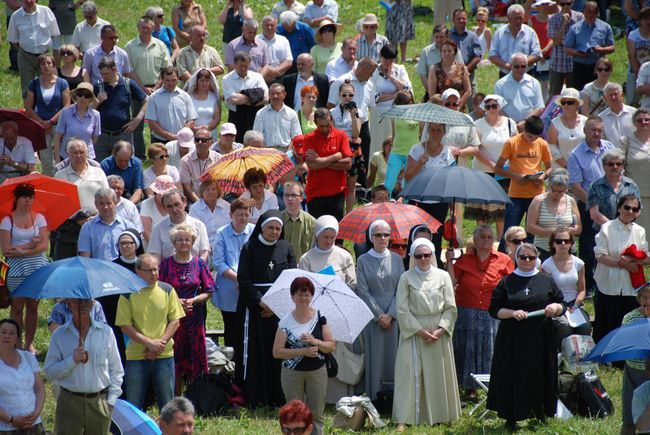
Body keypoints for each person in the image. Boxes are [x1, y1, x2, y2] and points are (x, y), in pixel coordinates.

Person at [487, 243, 564, 431]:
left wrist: (554, 308)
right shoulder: (506, 282)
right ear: (517, 259)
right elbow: (494, 309)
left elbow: (561, 303)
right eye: (523, 257)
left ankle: (540, 413)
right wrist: (512, 313)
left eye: (531, 257)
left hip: (541, 338)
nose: (527, 261)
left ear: (536, 258)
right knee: (513, 375)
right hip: (513, 339)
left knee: (539, 373)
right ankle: (511, 416)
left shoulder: (546, 281)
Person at [392, 238, 460, 431]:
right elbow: (402, 309)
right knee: (409, 375)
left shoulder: (443, 276)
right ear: (413, 257)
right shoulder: (406, 278)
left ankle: (441, 413)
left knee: (439, 372)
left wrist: (440, 329)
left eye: (427, 255)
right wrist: (420, 331)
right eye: (419, 255)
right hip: (415, 330)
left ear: (432, 255)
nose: (423, 258)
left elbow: (450, 307)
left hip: (438, 330)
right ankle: (404, 418)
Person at [236, 210, 296, 408]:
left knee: (279, 350)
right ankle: (256, 395)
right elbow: (243, 280)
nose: (275, 231)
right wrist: (262, 302)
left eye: (278, 228)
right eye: (271, 227)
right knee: (255, 351)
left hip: (280, 309)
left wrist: (276, 306)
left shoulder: (286, 247)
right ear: (262, 227)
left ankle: (278, 396)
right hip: (254, 308)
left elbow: (291, 279)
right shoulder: (249, 247)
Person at [445, 224, 513, 399]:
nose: (485, 239)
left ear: (494, 241)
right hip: (466, 313)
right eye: (481, 236)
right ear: (474, 239)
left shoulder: (504, 260)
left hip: (491, 312)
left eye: (489, 237)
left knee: (490, 349)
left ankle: (492, 387)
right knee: (467, 349)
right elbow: (451, 282)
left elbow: (511, 286)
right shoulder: (463, 261)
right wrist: (450, 262)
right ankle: (469, 389)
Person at [116, 253, 185, 411]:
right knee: (134, 404)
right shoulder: (127, 294)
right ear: (138, 271)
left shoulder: (167, 290)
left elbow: (175, 321)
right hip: (136, 356)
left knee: (167, 405)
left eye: (156, 269)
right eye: (149, 270)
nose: (154, 273)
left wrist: (158, 345)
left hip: (164, 355)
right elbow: (125, 326)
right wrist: (149, 344)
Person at [44, 298, 124, 434]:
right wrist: (72, 360)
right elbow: (49, 371)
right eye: (76, 301)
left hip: (99, 402)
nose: (82, 305)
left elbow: (116, 370)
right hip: (69, 402)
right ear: (69, 304)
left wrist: (110, 402)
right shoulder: (60, 335)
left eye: (86, 301)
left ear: (93, 304)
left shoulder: (106, 332)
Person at [272, 277, 335, 433]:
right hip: (292, 373)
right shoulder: (285, 322)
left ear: (312, 296)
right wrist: (302, 352)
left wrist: (316, 341)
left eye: (307, 295)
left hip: (317, 371)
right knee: (294, 414)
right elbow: (277, 352)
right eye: (300, 295)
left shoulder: (321, 317)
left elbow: (331, 346)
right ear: (292, 297)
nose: (303, 298)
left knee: (317, 414)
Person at [159, 224, 215, 393]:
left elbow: (210, 290)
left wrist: (194, 300)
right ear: (173, 243)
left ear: (193, 242)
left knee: (195, 357)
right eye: (180, 239)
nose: (184, 243)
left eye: (187, 239)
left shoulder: (199, 264)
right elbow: (159, 290)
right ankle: (174, 395)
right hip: (173, 319)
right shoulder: (166, 264)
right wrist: (175, 301)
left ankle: (196, 394)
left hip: (195, 317)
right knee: (174, 356)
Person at [356, 220, 404, 401]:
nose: (383, 238)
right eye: (378, 235)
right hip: (373, 318)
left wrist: (390, 315)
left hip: (394, 317)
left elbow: (401, 289)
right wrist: (380, 316)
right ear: (371, 237)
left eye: (386, 234)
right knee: (375, 358)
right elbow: (363, 291)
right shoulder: (362, 260)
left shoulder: (397, 259)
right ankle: (375, 396)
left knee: (393, 357)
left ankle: (393, 398)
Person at [0, 183, 49, 355]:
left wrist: (21, 250)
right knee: (17, 308)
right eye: (24, 196)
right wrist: (28, 247)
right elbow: (7, 250)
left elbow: (44, 245)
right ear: (16, 199)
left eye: (30, 196)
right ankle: (17, 342)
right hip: (16, 270)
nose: (28, 200)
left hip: (37, 268)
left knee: (33, 308)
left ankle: (29, 343)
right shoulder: (7, 221)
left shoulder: (39, 218)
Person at [593, 195, 650, 342]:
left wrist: (632, 259)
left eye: (635, 209)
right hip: (608, 283)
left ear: (638, 212)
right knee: (607, 322)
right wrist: (623, 263)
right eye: (627, 207)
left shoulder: (640, 231)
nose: (630, 211)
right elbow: (600, 256)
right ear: (619, 208)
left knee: (628, 323)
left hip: (631, 286)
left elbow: (645, 257)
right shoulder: (607, 227)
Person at [567, 115, 613, 295]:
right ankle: (588, 284)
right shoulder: (576, 154)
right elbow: (576, 186)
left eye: (600, 130)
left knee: (610, 242)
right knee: (588, 246)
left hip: (611, 205)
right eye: (593, 130)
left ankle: (608, 279)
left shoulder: (609, 149)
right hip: (587, 206)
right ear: (585, 131)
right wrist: (594, 204)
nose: (596, 133)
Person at [494, 115, 552, 251]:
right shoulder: (511, 142)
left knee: (532, 233)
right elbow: (498, 168)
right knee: (509, 232)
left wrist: (543, 176)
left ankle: (529, 260)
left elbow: (550, 167)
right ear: (524, 130)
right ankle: (503, 261)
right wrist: (514, 176)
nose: (531, 139)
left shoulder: (542, 144)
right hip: (516, 195)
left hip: (536, 195)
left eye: (535, 137)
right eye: (529, 136)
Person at [403, 122, 455, 262]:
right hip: (419, 200)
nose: (436, 132)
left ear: (444, 132)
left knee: (436, 236)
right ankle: (411, 265)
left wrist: (451, 208)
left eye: (439, 130)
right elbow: (408, 177)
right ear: (428, 131)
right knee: (416, 234)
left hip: (439, 201)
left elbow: (450, 180)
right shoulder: (417, 149)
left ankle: (434, 265)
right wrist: (420, 163)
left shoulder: (447, 152)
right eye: (433, 129)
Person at [469, 94, 516, 239]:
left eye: (494, 106)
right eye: (487, 106)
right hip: (483, 171)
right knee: (482, 209)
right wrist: (492, 165)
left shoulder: (509, 123)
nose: (491, 109)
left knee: (501, 208)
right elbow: (475, 149)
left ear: (500, 106)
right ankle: (481, 237)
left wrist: (507, 165)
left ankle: (501, 240)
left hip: (504, 171)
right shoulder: (478, 124)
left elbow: (516, 144)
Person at [124, 16, 171, 160]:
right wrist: (143, 88)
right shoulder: (130, 46)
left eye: (149, 27)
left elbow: (166, 68)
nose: (146, 30)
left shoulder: (161, 45)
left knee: (158, 122)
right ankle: (139, 154)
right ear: (138, 28)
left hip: (158, 88)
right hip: (137, 90)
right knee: (137, 123)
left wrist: (156, 87)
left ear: (153, 28)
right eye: (143, 27)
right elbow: (128, 71)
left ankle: (157, 153)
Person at [212, 198, 254, 348]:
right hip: (229, 288)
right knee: (231, 329)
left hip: (249, 285)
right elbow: (218, 262)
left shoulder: (254, 231)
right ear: (231, 215)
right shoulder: (221, 233)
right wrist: (237, 278)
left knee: (249, 329)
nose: (243, 218)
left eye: (246, 214)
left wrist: (245, 280)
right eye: (239, 215)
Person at [541, 227, 591, 347]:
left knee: (585, 327)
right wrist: (559, 307)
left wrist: (576, 305)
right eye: (558, 241)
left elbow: (582, 290)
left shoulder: (579, 263)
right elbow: (546, 292)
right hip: (557, 305)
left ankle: (582, 361)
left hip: (574, 305)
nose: (563, 243)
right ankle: (561, 358)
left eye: (566, 241)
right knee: (565, 327)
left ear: (571, 243)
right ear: (553, 244)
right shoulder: (546, 265)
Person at [93, 56, 149, 163]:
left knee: (125, 164)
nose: (103, 77)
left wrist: (137, 119)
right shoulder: (98, 86)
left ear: (114, 69)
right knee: (100, 167)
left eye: (106, 74)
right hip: (102, 135)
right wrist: (98, 101)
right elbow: (88, 109)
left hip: (123, 134)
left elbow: (146, 99)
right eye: (101, 74)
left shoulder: (128, 84)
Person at [24, 53, 71, 177]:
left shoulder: (62, 83)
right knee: (45, 158)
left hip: (58, 124)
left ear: (53, 65)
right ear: (39, 66)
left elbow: (67, 105)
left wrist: (51, 122)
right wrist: (42, 123)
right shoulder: (33, 83)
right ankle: (48, 181)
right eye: (43, 64)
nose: (46, 66)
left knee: (60, 156)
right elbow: (28, 106)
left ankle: (61, 180)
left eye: (49, 63)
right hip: (41, 125)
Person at [302, 108, 352, 220]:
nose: (325, 129)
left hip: (336, 193)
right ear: (315, 123)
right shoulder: (309, 138)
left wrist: (319, 160)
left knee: (337, 233)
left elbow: (348, 164)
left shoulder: (341, 135)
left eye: (327, 125)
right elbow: (311, 165)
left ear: (331, 120)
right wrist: (334, 157)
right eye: (321, 126)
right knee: (317, 232)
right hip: (315, 194)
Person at [103, 228, 144, 366]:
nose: (125, 246)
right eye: (122, 244)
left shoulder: (143, 264)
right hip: (116, 311)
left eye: (129, 243)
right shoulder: (112, 266)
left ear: (136, 245)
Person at [0, 319, 45, 433]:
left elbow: (39, 388)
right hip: (6, 428)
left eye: (12, 333)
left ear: (17, 338)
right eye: (3, 332)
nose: (7, 336)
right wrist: (11, 420)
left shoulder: (28, 357)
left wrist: (37, 412)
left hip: (33, 423)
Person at [526, 169, 581, 261]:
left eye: (560, 191)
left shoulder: (571, 201)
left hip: (567, 250)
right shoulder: (538, 201)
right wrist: (554, 233)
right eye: (553, 190)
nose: (556, 193)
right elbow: (530, 227)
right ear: (548, 186)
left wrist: (569, 231)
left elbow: (579, 228)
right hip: (544, 249)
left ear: (566, 189)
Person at [7, 0, 60, 96]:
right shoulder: (16, 16)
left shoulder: (46, 11)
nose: (29, 1)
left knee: (48, 85)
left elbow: (53, 33)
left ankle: (45, 109)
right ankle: (28, 110)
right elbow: (13, 39)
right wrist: (25, 48)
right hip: (25, 56)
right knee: (27, 88)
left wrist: (42, 45)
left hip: (44, 55)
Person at [563, 1, 615, 92]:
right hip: (580, 66)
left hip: (597, 66)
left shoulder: (605, 27)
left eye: (593, 13)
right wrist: (578, 53)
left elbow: (612, 47)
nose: (590, 16)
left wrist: (601, 49)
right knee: (579, 93)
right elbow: (566, 48)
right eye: (588, 12)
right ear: (583, 12)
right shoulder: (575, 28)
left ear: (597, 13)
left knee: (597, 92)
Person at [370, 45, 411, 159]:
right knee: (379, 142)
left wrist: (391, 78)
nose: (388, 62)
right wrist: (395, 95)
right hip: (379, 112)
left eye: (391, 59)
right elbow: (374, 97)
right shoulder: (374, 72)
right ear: (380, 57)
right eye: (385, 58)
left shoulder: (400, 69)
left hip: (397, 111)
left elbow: (407, 89)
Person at [148, 189, 210, 261]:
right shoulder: (158, 229)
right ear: (164, 208)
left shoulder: (199, 225)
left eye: (177, 204)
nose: (174, 209)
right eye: (169, 206)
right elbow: (155, 255)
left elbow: (204, 252)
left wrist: (197, 267)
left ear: (185, 202)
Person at [330, 80, 363, 215]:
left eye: (350, 95)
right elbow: (332, 132)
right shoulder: (332, 112)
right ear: (339, 95)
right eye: (344, 95)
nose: (347, 98)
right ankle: (337, 211)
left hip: (353, 149)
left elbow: (356, 134)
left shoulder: (357, 111)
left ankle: (349, 214)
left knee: (351, 185)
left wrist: (353, 116)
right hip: (339, 148)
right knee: (337, 183)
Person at [222, 52, 269, 144]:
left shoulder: (257, 77)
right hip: (237, 117)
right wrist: (255, 96)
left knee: (256, 142)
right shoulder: (227, 79)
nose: (243, 69)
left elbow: (266, 98)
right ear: (235, 64)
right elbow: (233, 99)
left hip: (256, 114)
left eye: (246, 66)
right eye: (241, 66)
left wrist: (242, 96)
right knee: (237, 144)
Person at [621, 287, 650, 435]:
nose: (648, 301)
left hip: (649, 372)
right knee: (629, 414)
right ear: (639, 298)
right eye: (644, 297)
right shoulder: (630, 318)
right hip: (633, 370)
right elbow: (625, 343)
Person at [77, 187, 134, 261]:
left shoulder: (128, 226)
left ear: (115, 203)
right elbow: (85, 258)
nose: (105, 207)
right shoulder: (87, 228)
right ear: (96, 205)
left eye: (109, 203)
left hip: (121, 270)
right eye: (101, 203)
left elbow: (133, 255)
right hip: (97, 270)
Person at [145, 66, 198, 144]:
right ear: (162, 80)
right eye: (167, 81)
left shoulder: (185, 96)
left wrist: (181, 134)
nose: (170, 83)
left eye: (173, 80)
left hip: (182, 140)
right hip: (160, 140)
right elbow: (152, 122)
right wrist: (167, 135)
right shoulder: (154, 97)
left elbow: (191, 120)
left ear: (178, 79)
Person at [54, 139, 109, 212]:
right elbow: (58, 201)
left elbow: (107, 196)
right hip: (71, 220)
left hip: (96, 219)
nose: (79, 155)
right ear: (68, 154)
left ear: (87, 153)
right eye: (75, 152)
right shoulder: (60, 175)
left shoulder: (99, 172)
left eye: (82, 152)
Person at [488, 4, 541, 78]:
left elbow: (537, 54)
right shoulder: (499, 33)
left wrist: (521, 65)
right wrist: (507, 65)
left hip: (526, 74)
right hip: (505, 75)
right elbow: (492, 55)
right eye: (515, 18)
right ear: (508, 18)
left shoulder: (530, 32)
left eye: (520, 18)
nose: (518, 21)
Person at [493, 53, 545, 128]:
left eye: (523, 66)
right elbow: (498, 108)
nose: (520, 69)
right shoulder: (500, 84)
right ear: (511, 66)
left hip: (530, 126)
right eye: (516, 66)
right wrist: (512, 124)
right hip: (507, 126)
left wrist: (525, 122)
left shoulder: (534, 83)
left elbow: (539, 107)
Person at [53, 82, 101, 162]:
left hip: (87, 157)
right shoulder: (65, 113)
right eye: (80, 94)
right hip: (66, 157)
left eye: (86, 95)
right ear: (76, 96)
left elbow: (95, 138)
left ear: (90, 99)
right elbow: (57, 137)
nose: (82, 97)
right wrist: (58, 159)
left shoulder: (96, 115)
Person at [619, 108, 650, 231]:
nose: (644, 122)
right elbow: (618, 165)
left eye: (647, 119)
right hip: (637, 195)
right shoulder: (626, 141)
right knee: (640, 233)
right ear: (634, 123)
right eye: (640, 120)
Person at [416, 25, 464, 100]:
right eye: (436, 37)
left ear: (447, 36)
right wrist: (430, 91)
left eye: (441, 37)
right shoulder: (426, 51)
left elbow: (461, 70)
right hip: (433, 92)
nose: (439, 40)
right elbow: (422, 73)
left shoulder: (454, 50)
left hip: (454, 94)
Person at [547, 0, 583, 96]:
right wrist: (564, 23)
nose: (566, 6)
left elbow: (580, 40)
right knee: (554, 95)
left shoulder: (580, 17)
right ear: (559, 4)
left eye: (568, 3)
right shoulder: (553, 19)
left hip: (573, 63)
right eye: (563, 4)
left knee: (574, 94)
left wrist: (567, 42)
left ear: (572, 2)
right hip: (557, 63)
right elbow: (557, 41)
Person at [253, 83, 302, 152]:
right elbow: (257, 137)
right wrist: (265, 152)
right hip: (266, 151)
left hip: (286, 151)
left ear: (284, 95)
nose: (275, 96)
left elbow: (296, 137)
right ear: (269, 95)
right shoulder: (260, 113)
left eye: (278, 93)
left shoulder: (292, 113)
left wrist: (288, 153)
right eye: (272, 93)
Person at [547, 88, 588, 168]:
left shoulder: (585, 121)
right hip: (561, 169)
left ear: (577, 104)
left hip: (583, 166)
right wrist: (565, 165)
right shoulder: (555, 123)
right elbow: (551, 147)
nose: (566, 105)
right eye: (563, 102)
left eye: (570, 102)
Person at [179, 128, 220, 204]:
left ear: (211, 142)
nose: (200, 142)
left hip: (215, 200)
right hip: (194, 201)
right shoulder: (185, 161)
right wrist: (199, 204)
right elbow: (187, 188)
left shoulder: (219, 159)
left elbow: (222, 184)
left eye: (204, 140)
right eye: (197, 140)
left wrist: (216, 202)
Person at [188, 179, 230, 247]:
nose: (210, 192)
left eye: (213, 189)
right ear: (202, 192)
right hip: (203, 246)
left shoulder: (227, 206)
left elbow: (230, 227)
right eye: (207, 189)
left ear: (218, 191)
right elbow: (193, 232)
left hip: (225, 244)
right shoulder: (195, 209)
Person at [281, 181, 316, 260]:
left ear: (301, 198)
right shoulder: (278, 220)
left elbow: (314, 249)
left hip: (304, 267)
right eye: (286, 195)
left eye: (293, 195)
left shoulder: (311, 222)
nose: (289, 198)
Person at [141, 175, 175, 245]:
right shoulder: (146, 204)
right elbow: (146, 231)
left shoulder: (175, 203)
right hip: (151, 243)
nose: (163, 197)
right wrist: (157, 248)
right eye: (161, 194)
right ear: (155, 192)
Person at [601, 83, 636, 148]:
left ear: (622, 95)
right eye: (610, 95)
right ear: (605, 98)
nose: (613, 97)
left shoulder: (634, 113)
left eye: (615, 94)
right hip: (612, 155)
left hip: (633, 154)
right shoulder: (601, 118)